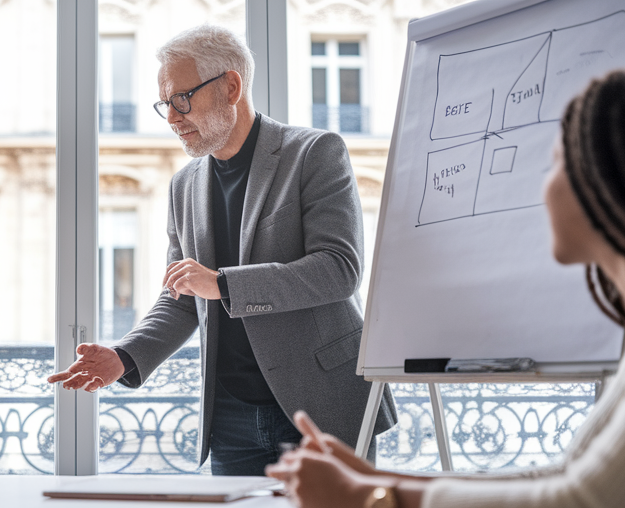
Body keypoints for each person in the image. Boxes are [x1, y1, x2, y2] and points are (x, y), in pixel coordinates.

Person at [269, 65, 625, 508]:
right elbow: (568, 479)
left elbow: (587, 505)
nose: (543, 189)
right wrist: (375, 478)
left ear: (614, 182)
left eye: (554, 164)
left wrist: (373, 503)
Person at [45, 25, 393, 476]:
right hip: (230, 417)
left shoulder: (315, 153)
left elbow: (339, 269)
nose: (172, 117)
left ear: (231, 87)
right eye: (164, 104)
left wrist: (223, 284)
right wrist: (124, 356)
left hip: (321, 404)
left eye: (181, 99)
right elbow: (183, 296)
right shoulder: (184, 186)